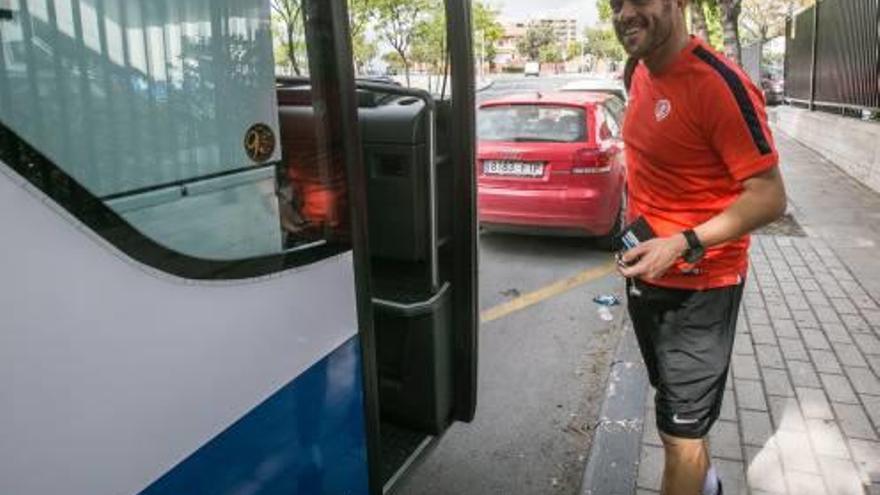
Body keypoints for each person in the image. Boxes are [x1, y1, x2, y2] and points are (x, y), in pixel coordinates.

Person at [611, 1, 788, 494]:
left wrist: (684, 241)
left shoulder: (718, 83)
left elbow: (771, 197)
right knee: (678, 414)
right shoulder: (638, 71)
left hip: (701, 292)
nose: (624, 13)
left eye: (638, 0)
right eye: (614, 3)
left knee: (679, 437)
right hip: (646, 280)